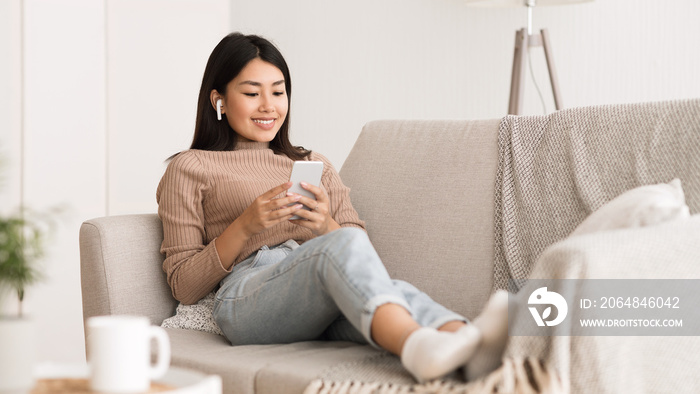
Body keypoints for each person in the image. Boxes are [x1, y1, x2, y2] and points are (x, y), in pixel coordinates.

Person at [157, 32, 509, 383]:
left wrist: (324, 224)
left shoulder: (315, 164)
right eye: (252, 93)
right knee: (339, 253)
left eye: (278, 92)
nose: (269, 106)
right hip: (246, 298)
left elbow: (360, 255)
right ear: (218, 99)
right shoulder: (191, 167)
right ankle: (424, 347)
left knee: (394, 289)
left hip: (316, 295)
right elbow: (184, 286)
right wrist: (245, 225)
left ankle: (468, 346)